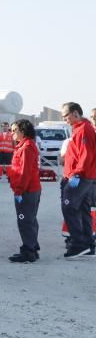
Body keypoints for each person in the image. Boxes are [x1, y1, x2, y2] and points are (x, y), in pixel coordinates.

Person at [60, 102, 96, 258]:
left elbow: (86, 155)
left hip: (80, 177)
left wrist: (76, 174)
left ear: (75, 113)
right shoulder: (80, 129)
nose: (64, 119)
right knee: (83, 209)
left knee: (68, 207)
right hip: (82, 176)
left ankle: (78, 244)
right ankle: (88, 245)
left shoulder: (84, 129)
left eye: (65, 115)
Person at [7, 120, 42, 263]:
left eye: (14, 130)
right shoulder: (25, 145)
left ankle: (28, 251)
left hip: (27, 190)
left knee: (25, 220)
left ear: (23, 131)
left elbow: (24, 172)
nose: (11, 133)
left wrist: (19, 191)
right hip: (30, 189)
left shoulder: (26, 147)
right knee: (30, 219)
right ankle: (32, 247)